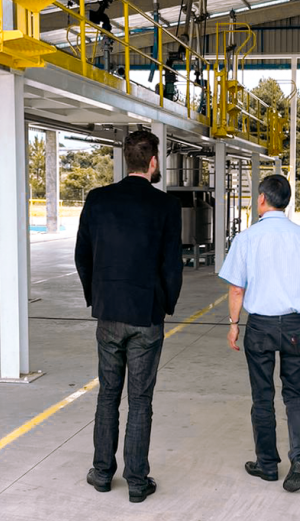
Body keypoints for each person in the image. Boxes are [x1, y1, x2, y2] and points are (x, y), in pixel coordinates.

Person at [75, 129, 183, 503]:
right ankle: (137, 481)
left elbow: (82, 256)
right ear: (153, 162)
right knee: (140, 399)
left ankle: (102, 473)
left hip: (109, 314)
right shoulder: (166, 207)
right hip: (146, 314)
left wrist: (97, 297)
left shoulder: (97, 200)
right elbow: (172, 266)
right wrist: (165, 304)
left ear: (127, 159)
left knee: (107, 394)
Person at [218, 174, 300, 493]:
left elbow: (237, 289)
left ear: (263, 199)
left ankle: (267, 464)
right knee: (295, 393)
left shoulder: (248, 238)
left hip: (261, 326)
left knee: (262, 396)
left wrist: (233, 325)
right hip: (296, 325)